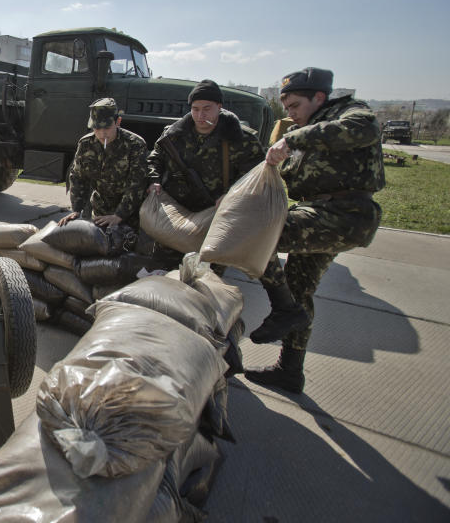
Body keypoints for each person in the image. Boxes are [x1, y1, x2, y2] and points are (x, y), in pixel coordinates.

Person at [244, 67, 385, 393]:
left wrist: (291, 139)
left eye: (294, 105)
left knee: (255, 234)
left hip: (344, 213)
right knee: (297, 288)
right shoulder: (306, 127)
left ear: (318, 97)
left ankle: (283, 310)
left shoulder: (351, 112)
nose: (290, 114)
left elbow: (361, 130)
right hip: (316, 212)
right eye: (287, 107)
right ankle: (290, 370)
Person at [146, 78, 265, 222]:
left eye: (207, 109)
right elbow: (155, 159)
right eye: (195, 109)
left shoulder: (242, 139)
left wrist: (231, 195)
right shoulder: (173, 135)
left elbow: (255, 177)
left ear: (219, 106)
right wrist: (154, 180)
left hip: (218, 215)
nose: (200, 116)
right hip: (174, 212)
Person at [59, 97, 148, 229]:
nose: (102, 133)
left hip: (130, 215)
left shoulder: (135, 144)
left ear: (118, 121)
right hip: (100, 212)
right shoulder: (85, 144)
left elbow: (136, 184)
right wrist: (77, 210)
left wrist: (119, 215)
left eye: (106, 127)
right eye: (96, 128)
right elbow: (78, 177)